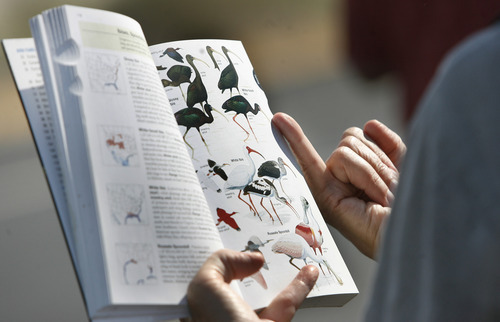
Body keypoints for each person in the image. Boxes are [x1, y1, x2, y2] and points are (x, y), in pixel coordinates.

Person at [186, 21, 500, 321]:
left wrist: (425, 234)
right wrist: (420, 231)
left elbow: (365, 58)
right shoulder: (475, 74)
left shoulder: (476, 76)